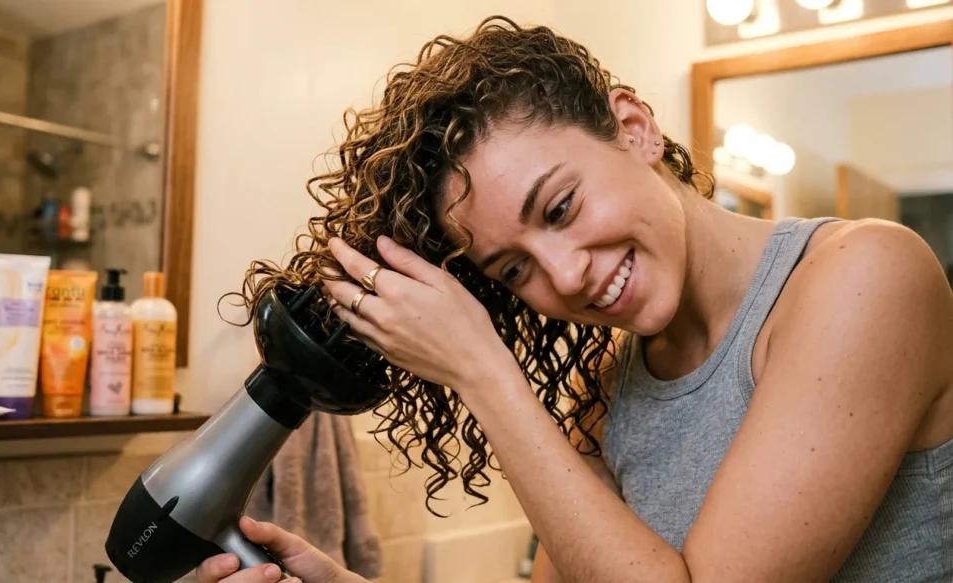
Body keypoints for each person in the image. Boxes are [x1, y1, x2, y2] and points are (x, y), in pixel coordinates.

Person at [199, 15, 953, 583]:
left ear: (634, 129)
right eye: (514, 269)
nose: (563, 276)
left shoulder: (866, 275)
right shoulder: (612, 385)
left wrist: (480, 369)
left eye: (559, 208)